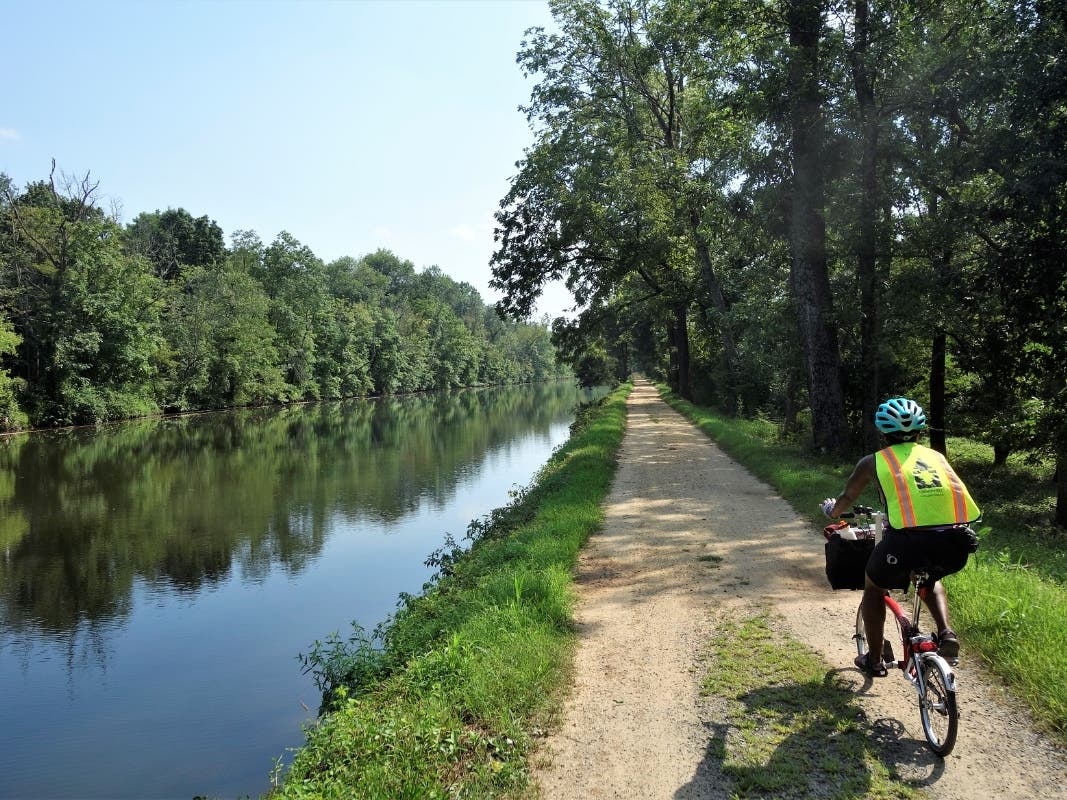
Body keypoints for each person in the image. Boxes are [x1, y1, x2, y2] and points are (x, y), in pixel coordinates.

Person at [822, 397, 981, 677]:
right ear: (920, 432)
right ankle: (946, 633)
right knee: (931, 577)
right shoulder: (936, 457)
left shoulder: (873, 461)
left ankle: (874, 660)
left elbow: (847, 497)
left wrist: (831, 511)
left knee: (873, 587)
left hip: (907, 542)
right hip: (956, 543)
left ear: (883, 433)